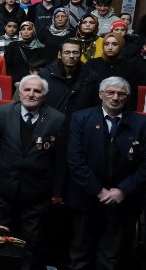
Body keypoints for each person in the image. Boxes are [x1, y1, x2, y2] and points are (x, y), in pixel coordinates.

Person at [0, 75, 66, 270]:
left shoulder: (57, 119)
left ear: (44, 95)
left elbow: (60, 159)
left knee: (31, 240)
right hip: (3, 188)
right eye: (27, 90)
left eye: (37, 91)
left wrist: (56, 191)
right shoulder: (2, 113)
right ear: (19, 92)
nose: (31, 94)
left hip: (37, 192)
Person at [67, 76, 146, 270]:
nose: (116, 97)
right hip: (87, 199)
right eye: (110, 92)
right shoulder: (81, 118)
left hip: (122, 202)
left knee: (110, 258)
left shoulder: (141, 123)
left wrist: (122, 190)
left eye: (121, 94)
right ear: (101, 94)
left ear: (127, 98)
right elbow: (75, 160)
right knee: (80, 255)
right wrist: (99, 191)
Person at [4, 21, 49, 87]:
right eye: (23, 29)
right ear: (20, 31)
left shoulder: (40, 47)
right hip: (15, 83)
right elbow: (7, 65)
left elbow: (43, 67)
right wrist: (15, 81)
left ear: (33, 31)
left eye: (29, 29)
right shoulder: (13, 46)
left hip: (34, 83)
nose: (26, 32)